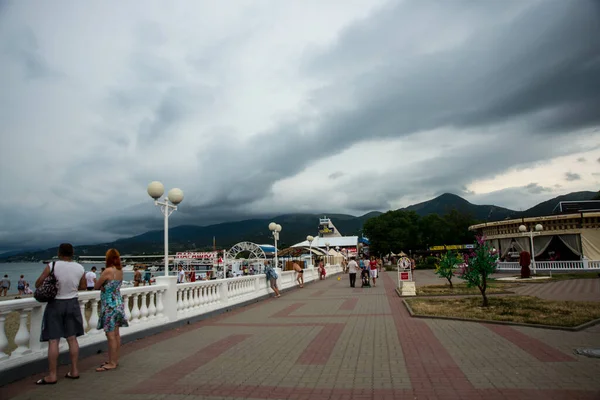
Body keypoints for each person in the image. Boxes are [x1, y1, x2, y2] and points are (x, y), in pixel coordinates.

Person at [35, 243, 86, 384]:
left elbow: (38, 283)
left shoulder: (52, 266)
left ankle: (52, 375)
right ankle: (74, 370)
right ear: (72, 253)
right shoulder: (80, 267)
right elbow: (83, 286)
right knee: (72, 338)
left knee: (53, 340)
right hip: (73, 303)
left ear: (59, 253)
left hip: (56, 304)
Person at [94, 248, 128, 372]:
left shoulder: (108, 271)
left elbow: (96, 286)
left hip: (109, 305)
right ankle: (114, 360)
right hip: (118, 303)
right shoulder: (120, 271)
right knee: (116, 334)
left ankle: (112, 363)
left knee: (110, 335)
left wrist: (102, 287)